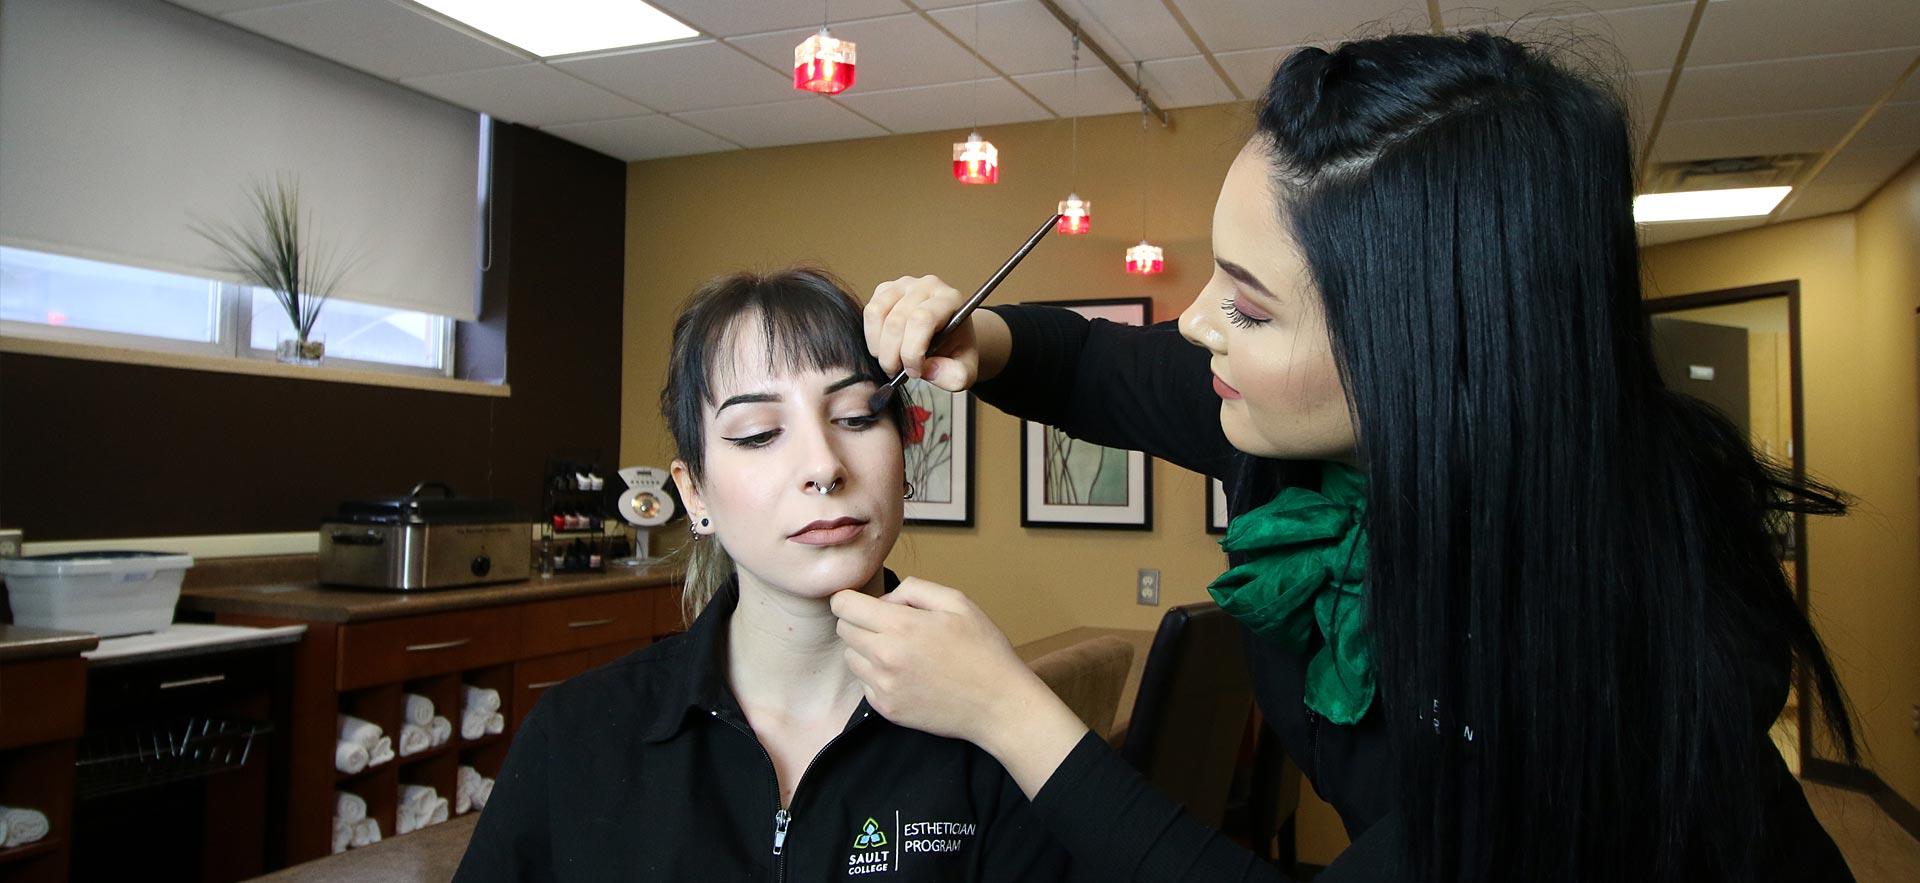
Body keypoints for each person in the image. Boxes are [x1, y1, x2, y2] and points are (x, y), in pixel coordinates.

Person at [834, 31, 1858, 883]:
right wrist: (984, 338)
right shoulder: (1304, 420)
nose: (1195, 324)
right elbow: (1095, 362)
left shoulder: (1613, 638)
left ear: (1423, 356)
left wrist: (1008, 712)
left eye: (1248, 304)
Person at [452, 268, 1069, 882]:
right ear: (694, 495)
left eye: (857, 417)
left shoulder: (995, 742)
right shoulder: (576, 736)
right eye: (759, 434)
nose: (824, 466)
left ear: (902, 456)